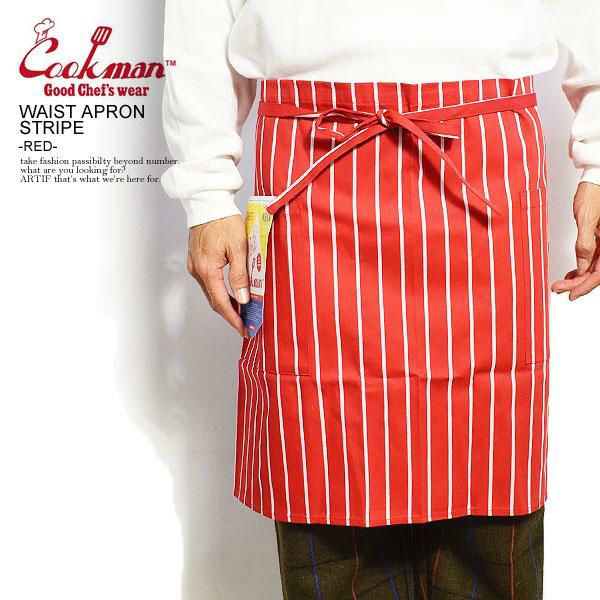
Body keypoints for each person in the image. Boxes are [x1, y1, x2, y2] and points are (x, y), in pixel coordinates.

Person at [160, 1, 600, 598]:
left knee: (489, 481)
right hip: (313, 155)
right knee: (326, 481)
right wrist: (206, 192)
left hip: (482, 160)